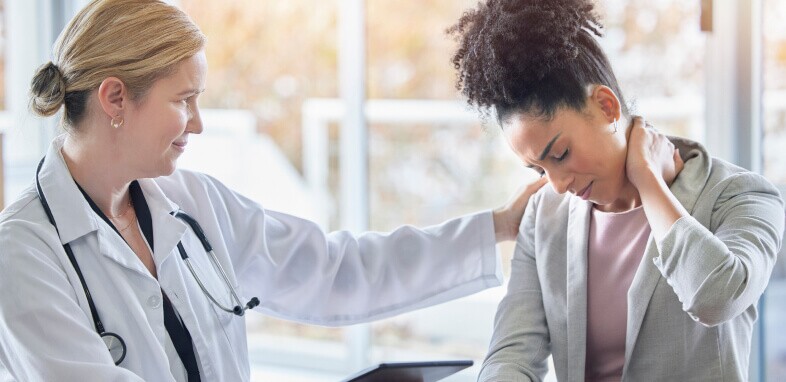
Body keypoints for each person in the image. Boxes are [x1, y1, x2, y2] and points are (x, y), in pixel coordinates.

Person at [0, 1, 547, 381]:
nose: (196, 124)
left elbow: (335, 271)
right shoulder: (23, 254)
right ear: (115, 98)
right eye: (183, 99)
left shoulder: (192, 204)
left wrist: (498, 224)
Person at [447, 0, 785, 381]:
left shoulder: (742, 196)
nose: (557, 184)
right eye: (538, 168)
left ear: (606, 106)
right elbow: (513, 352)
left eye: (560, 153)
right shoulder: (545, 214)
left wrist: (650, 182)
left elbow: (716, 298)